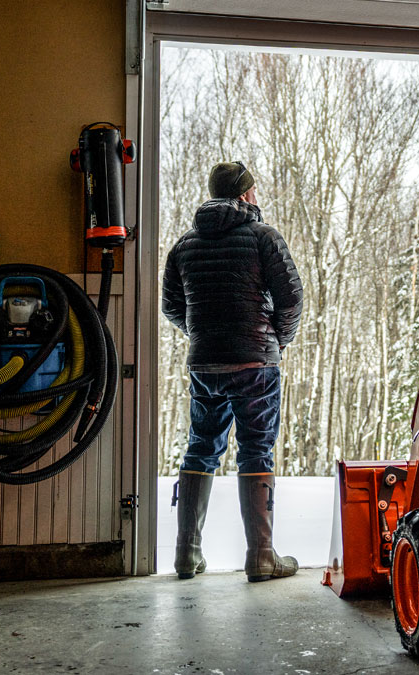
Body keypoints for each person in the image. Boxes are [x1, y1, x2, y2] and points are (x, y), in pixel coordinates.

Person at [162, 161, 303, 582]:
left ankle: (187, 555)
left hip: (206, 364)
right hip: (255, 363)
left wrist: (205, 333)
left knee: (201, 446)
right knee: (256, 449)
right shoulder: (264, 238)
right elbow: (291, 299)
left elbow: (172, 306)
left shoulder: (184, 245)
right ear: (245, 194)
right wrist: (275, 339)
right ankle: (261, 556)